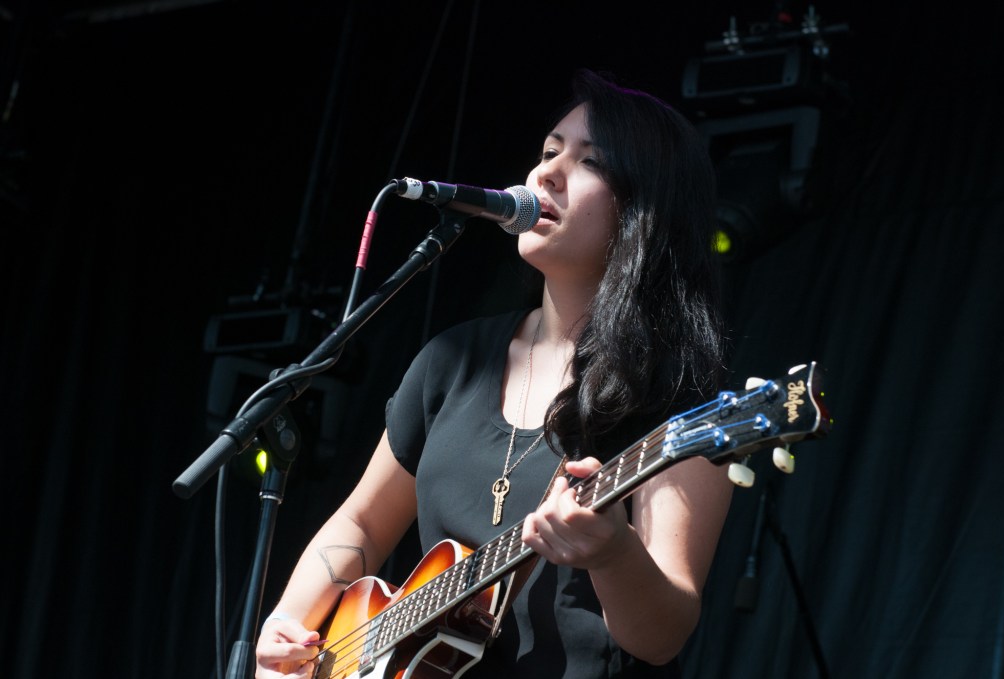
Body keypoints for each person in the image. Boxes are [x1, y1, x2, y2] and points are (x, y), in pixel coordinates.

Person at [254, 68, 734, 678]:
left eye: (590, 162)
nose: (546, 173)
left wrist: (613, 553)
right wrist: (287, 628)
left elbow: (663, 635)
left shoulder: (679, 395)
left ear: (645, 208)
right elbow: (362, 521)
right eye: (548, 152)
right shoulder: (453, 363)